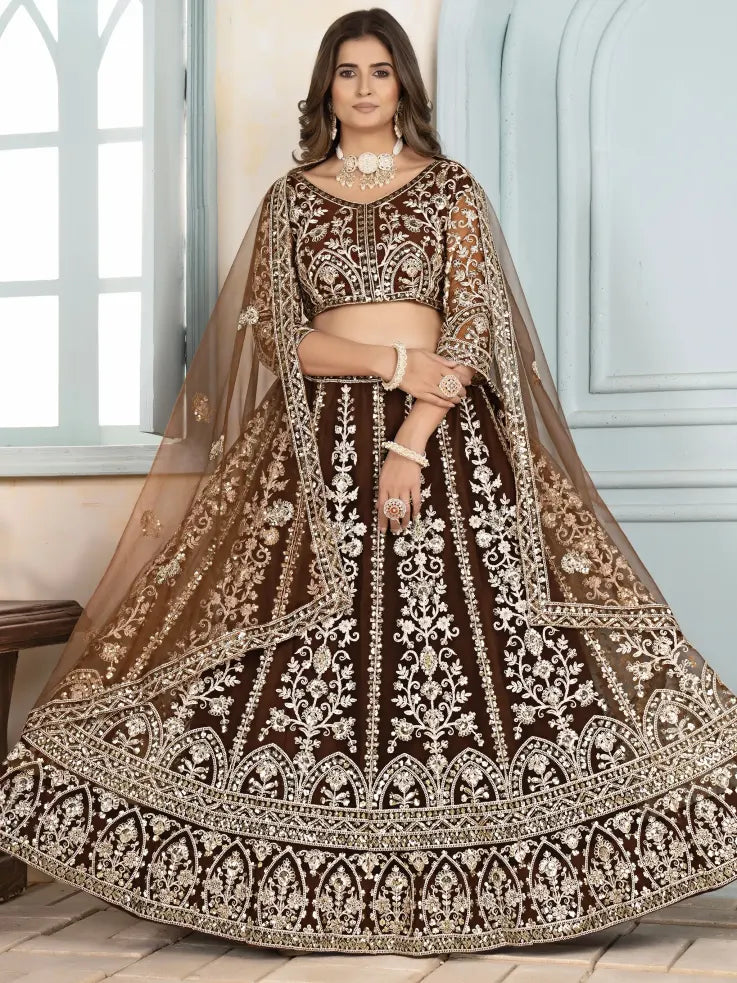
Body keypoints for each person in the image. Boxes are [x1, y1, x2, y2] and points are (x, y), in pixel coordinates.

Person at [1, 6, 736, 958]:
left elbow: (469, 328)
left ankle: (485, 877)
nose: (361, 87)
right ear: (324, 89)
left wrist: (411, 438)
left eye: (379, 71)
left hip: (448, 438)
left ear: (403, 89)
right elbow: (283, 337)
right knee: (289, 640)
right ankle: (309, 878)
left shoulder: (452, 192)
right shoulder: (290, 199)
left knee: (484, 647)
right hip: (313, 446)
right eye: (345, 71)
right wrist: (393, 366)